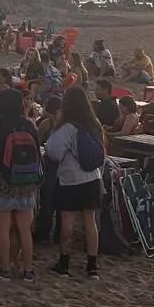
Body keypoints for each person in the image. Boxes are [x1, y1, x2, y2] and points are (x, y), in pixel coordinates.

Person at [0, 88, 41, 282]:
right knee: (24, 229)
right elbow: (37, 153)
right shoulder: (29, 125)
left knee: (3, 228)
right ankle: (28, 269)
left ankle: (5, 268)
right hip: (26, 182)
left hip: (4, 181)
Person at [44, 86, 106, 279]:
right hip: (93, 178)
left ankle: (64, 264)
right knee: (90, 222)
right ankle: (92, 266)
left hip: (70, 179)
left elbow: (53, 152)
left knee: (67, 222)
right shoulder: (94, 123)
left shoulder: (67, 127)